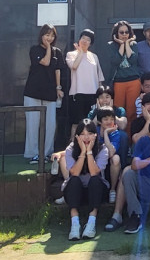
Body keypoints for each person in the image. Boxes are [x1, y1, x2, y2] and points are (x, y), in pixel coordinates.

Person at [23, 24, 63, 165]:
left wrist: (58, 87)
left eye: (52, 35)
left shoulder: (58, 52)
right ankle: (33, 154)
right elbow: (45, 62)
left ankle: (47, 154)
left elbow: (58, 70)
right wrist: (48, 49)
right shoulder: (34, 49)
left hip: (50, 93)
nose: (49, 38)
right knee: (32, 124)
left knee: (50, 126)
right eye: (47, 35)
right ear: (41, 35)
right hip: (33, 92)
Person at [62, 119, 109, 240]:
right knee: (74, 180)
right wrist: (83, 151)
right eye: (82, 134)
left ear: (95, 135)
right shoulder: (70, 149)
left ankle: (91, 222)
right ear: (77, 136)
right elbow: (75, 172)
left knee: (95, 180)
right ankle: (75, 223)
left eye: (90, 133)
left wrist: (89, 152)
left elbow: (94, 172)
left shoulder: (102, 149)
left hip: (96, 190)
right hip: (77, 190)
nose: (86, 137)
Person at [65, 29, 104, 137]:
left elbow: (99, 77)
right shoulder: (71, 54)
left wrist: (100, 96)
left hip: (93, 94)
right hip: (77, 93)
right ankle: (73, 144)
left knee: (92, 123)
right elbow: (74, 66)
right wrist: (81, 52)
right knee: (76, 123)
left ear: (91, 43)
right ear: (79, 39)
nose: (85, 41)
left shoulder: (94, 56)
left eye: (88, 40)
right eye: (83, 38)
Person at [106, 20, 141, 133]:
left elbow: (133, 59)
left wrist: (127, 43)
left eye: (127, 32)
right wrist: (121, 45)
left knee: (132, 112)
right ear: (116, 33)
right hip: (118, 81)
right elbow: (115, 61)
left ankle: (130, 139)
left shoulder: (134, 44)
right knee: (118, 111)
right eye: (121, 32)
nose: (124, 34)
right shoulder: (111, 45)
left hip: (133, 81)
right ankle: (118, 138)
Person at [95, 107, 128, 204]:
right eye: (106, 119)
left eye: (112, 119)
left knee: (116, 158)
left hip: (109, 164)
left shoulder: (115, 133)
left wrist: (106, 133)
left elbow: (111, 153)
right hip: (95, 161)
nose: (109, 122)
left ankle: (112, 190)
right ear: (99, 121)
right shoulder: (94, 131)